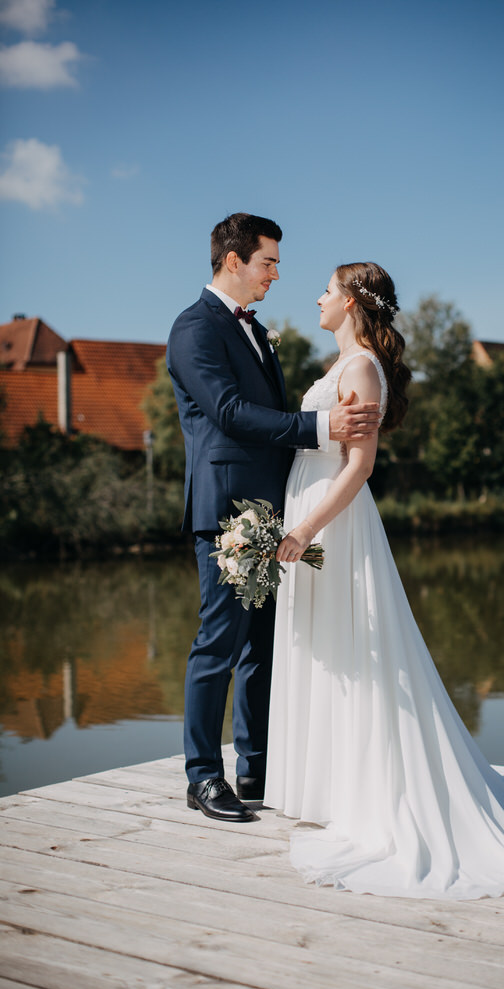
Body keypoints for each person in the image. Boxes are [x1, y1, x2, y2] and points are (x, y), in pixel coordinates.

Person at [263, 261, 504, 899]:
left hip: (332, 524)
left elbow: (358, 468)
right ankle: (331, 787)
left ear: (354, 303)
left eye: (328, 291)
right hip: (311, 514)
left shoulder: (360, 369)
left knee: (358, 654)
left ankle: (372, 792)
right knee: (329, 651)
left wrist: (305, 530)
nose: (318, 299)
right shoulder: (341, 367)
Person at [166, 215, 380, 824]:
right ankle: (203, 777)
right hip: (227, 509)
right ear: (233, 261)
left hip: (275, 510)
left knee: (262, 647)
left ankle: (256, 767)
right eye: (269, 262)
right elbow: (230, 413)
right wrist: (319, 428)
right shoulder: (194, 328)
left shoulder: (256, 331)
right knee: (218, 644)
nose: (276, 275)